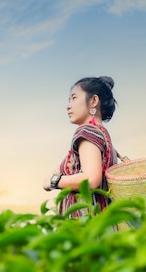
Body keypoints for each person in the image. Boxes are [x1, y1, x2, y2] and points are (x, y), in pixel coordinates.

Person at [42, 76, 119, 218]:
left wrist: (53, 181)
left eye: (74, 98)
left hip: (85, 224)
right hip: (102, 221)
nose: (68, 105)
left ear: (93, 101)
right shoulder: (102, 135)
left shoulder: (86, 132)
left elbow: (91, 179)